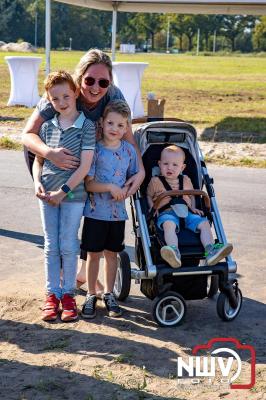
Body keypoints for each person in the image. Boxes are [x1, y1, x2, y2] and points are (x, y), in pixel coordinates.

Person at [22, 48, 145, 288]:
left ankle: (80, 275)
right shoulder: (63, 93)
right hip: (49, 156)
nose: (96, 87)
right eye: (89, 80)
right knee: (60, 225)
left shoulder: (113, 96)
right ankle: (60, 280)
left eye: (103, 81)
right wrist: (50, 154)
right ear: (80, 79)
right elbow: (27, 135)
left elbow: (129, 138)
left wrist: (140, 171)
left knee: (89, 215)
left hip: (88, 161)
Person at [32, 70, 95, 321]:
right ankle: (51, 294)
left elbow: (85, 167)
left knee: (68, 245)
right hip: (46, 194)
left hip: (73, 196)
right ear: (49, 100)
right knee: (50, 246)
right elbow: (39, 160)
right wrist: (37, 181)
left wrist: (63, 192)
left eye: (66, 96)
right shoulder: (47, 127)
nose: (62, 102)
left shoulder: (87, 126)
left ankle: (68, 294)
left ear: (76, 93)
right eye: (55, 99)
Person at [80, 100, 139, 319]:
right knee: (93, 255)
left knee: (112, 255)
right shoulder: (95, 150)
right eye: (111, 123)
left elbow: (134, 178)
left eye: (121, 125)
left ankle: (109, 294)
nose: (115, 129)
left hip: (117, 215)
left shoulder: (129, 151)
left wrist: (125, 189)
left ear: (126, 128)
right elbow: (89, 184)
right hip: (95, 213)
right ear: (102, 123)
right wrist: (109, 187)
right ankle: (91, 294)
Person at [147, 145, 233, 268]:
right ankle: (173, 252)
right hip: (166, 212)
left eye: (175, 165)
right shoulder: (155, 181)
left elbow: (192, 195)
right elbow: (148, 196)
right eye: (165, 164)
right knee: (169, 225)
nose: (169, 167)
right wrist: (152, 208)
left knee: (204, 223)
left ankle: (210, 250)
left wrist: (193, 207)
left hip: (187, 212)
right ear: (159, 164)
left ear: (182, 167)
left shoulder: (186, 180)